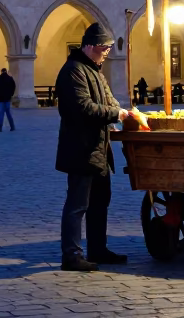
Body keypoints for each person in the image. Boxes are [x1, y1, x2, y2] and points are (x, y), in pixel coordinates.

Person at [56, 22, 133, 272]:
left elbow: (109, 101)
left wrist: (124, 114)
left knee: (100, 201)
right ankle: (72, 255)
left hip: (99, 150)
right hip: (81, 148)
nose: (106, 54)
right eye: (103, 50)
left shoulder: (96, 72)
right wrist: (117, 114)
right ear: (89, 46)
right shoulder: (73, 71)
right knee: (78, 204)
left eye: (108, 50)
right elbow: (83, 108)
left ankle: (98, 248)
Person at [0, 68, 16, 132]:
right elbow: (13, 87)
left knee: (1, 113)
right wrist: (11, 94)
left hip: (0, 99)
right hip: (7, 98)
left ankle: (0, 127)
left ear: (1, 72)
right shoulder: (10, 79)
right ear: (6, 72)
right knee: (8, 113)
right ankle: (12, 126)